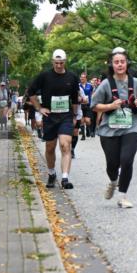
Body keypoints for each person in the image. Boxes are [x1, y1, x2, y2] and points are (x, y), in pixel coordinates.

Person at [90, 48, 137, 208]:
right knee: (112, 164)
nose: (120, 64)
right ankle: (113, 181)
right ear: (112, 64)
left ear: (127, 63)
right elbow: (94, 106)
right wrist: (110, 105)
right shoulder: (105, 84)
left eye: (122, 61)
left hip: (130, 128)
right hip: (109, 130)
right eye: (116, 62)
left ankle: (122, 196)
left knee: (127, 160)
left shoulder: (135, 82)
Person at [26, 49, 80, 189]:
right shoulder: (44, 76)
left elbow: (75, 99)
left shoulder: (72, 77)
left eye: (61, 63)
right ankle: (51, 173)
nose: (59, 65)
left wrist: (75, 116)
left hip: (66, 116)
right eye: (56, 63)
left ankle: (65, 178)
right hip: (49, 116)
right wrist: (39, 108)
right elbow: (30, 93)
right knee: (50, 147)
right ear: (52, 62)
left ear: (65, 62)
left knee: (65, 145)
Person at [78, 72, 94, 140]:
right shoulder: (78, 86)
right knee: (81, 120)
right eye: (81, 77)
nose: (82, 78)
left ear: (86, 78)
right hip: (80, 105)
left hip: (88, 104)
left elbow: (93, 93)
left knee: (87, 120)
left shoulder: (90, 85)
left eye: (83, 77)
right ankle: (83, 135)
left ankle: (87, 129)